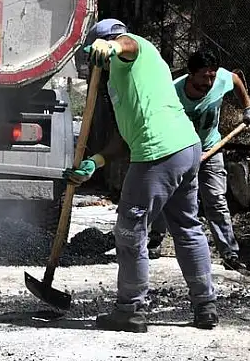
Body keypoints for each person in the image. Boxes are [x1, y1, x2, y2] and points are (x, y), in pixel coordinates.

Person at [63, 18, 218, 332]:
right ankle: (206, 306)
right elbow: (124, 137)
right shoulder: (120, 81)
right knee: (187, 226)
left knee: (130, 231)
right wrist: (95, 162)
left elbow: (129, 44)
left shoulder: (136, 51)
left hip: (158, 153)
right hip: (184, 148)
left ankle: (131, 310)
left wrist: (111, 44)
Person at [146, 50, 250, 270]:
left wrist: (248, 107)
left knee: (216, 199)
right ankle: (155, 239)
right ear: (191, 74)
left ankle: (230, 253)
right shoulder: (172, 92)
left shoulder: (221, 79)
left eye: (212, 76)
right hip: (177, 150)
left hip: (210, 148)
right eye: (204, 77)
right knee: (166, 196)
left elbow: (235, 79)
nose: (209, 82)